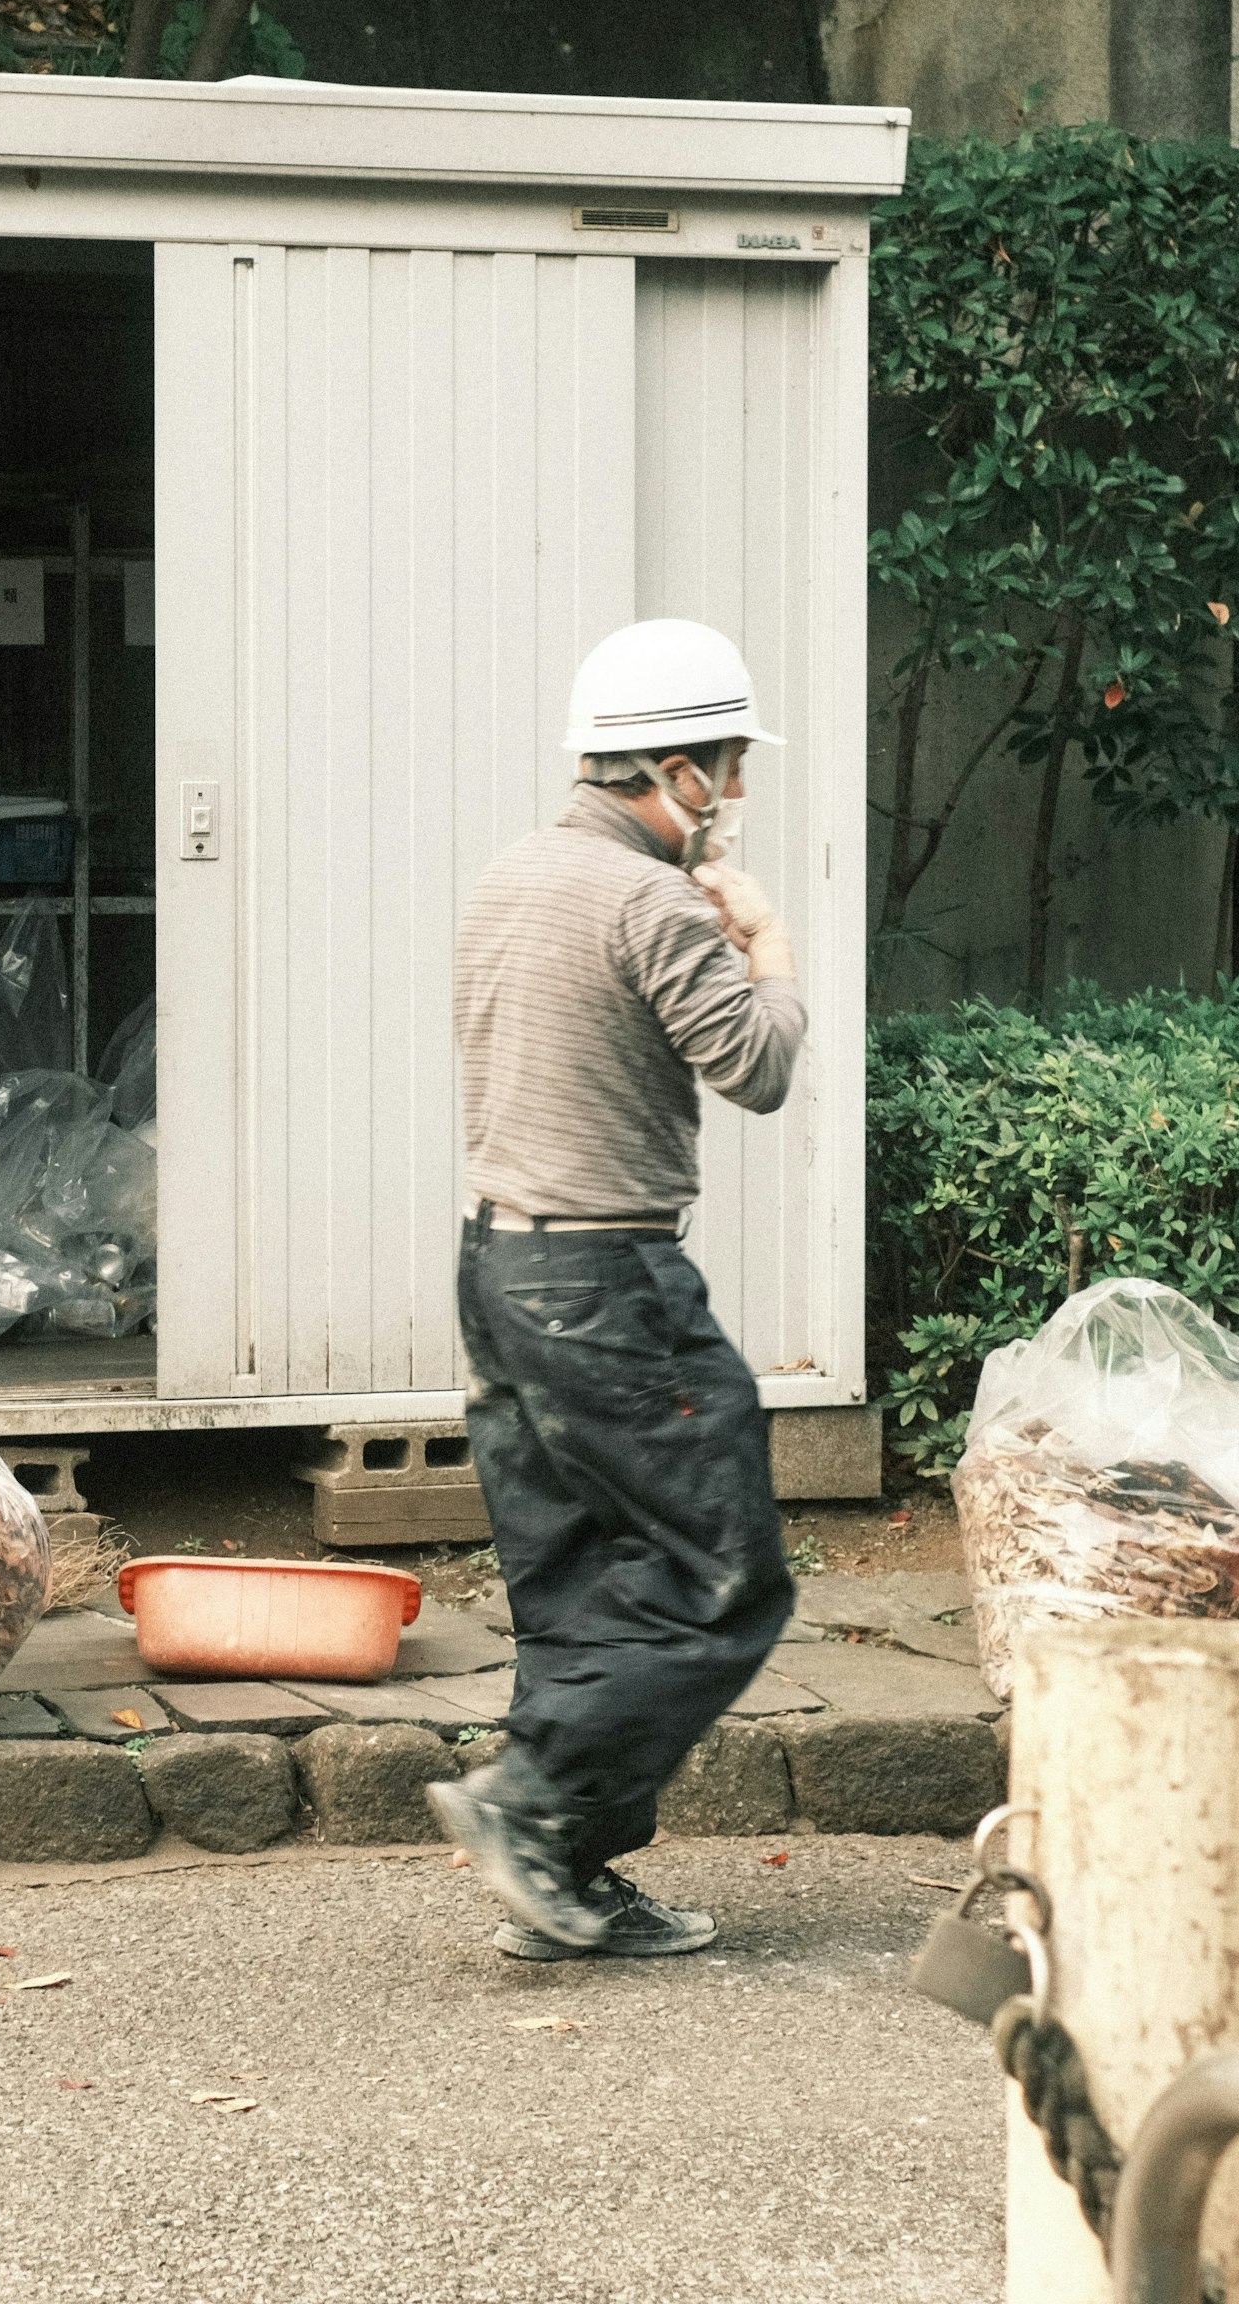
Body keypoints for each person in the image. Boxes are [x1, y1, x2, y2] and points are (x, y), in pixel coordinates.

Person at [427, 618, 806, 1958]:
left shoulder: (512, 876)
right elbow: (756, 1066)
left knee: (583, 1583)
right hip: (607, 1274)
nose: (740, 796)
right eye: (730, 769)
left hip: (499, 1265)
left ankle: (566, 1884)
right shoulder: (650, 899)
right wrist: (764, 940)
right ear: (675, 772)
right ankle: (530, 1808)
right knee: (726, 1570)